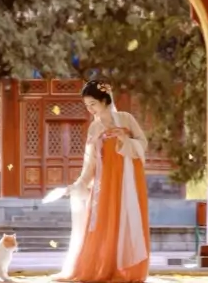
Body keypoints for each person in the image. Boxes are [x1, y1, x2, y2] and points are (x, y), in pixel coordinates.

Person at [55, 79, 150, 283]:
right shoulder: (94, 128)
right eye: (87, 106)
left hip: (127, 181)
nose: (90, 110)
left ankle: (124, 270)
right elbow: (90, 163)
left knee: (124, 220)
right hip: (105, 183)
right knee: (101, 223)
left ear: (105, 100)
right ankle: (101, 268)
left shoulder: (126, 119)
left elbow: (143, 144)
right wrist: (79, 183)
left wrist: (124, 139)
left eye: (93, 104)